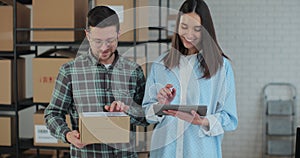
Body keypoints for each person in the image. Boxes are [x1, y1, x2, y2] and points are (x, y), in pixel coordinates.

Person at [44, 6, 147, 157]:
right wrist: (67, 135)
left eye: (110, 40)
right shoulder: (69, 71)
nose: (104, 48)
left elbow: (145, 117)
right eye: (98, 41)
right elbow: (52, 113)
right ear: (88, 35)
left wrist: (127, 110)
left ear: (119, 34)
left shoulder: (134, 71)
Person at [142, 0, 238, 158]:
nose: (189, 34)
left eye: (197, 29)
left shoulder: (221, 67)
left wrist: (201, 121)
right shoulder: (160, 65)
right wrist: (161, 106)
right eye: (184, 27)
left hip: (201, 151)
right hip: (165, 152)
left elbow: (229, 118)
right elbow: (148, 113)